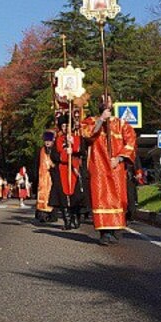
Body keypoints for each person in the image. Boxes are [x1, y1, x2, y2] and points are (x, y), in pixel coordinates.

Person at [81, 95, 136, 246]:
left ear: (112, 104)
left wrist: (119, 159)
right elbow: (87, 134)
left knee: (117, 197)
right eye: (102, 100)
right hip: (98, 166)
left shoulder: (121, 124)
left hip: (115, 167)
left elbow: (131, 141)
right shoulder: (90, 121)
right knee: (101, 198)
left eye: (108, 100)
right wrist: (101, 120)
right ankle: (104, 232)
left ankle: (115, 229)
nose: (105, 103)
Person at [50, 117, 86, 230]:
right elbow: (54, 156)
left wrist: (74, 147)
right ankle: (67, 221)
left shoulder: (78, 138)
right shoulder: (58, 140)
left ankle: (75, 217)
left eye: (67, 125)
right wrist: (64, 155)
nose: (66, 128)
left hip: (74, 170)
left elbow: (83, 152)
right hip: (62, 170)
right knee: (63, 197)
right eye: (64, 126)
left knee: (76, 196)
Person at [35, 131, 55, 222]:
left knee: (51, 196)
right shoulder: (40, 151)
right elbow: (36, 164)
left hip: (52, 177)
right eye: (46, 140)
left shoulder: (55, 150)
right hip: (42, 177)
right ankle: (42, 215)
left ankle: (51, 215)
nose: (47, 142)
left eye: (49, 141)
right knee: (42, 196)